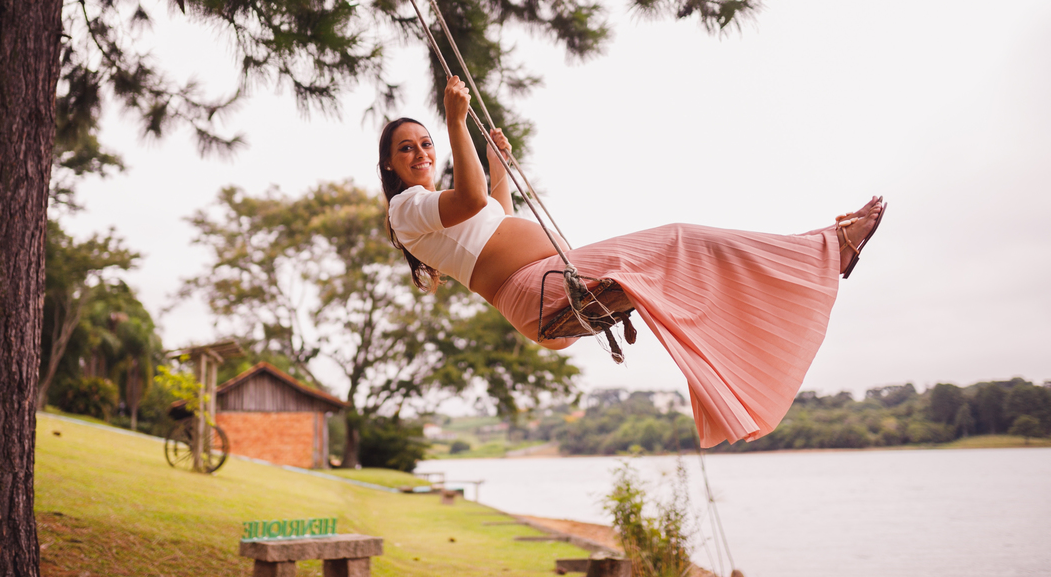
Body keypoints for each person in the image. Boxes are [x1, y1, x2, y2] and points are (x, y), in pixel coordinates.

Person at [379, 76, 886, 447]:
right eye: (408, 148)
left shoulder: (431, 209)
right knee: (681, 240)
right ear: (390, 165)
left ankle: (806, 261)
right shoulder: (406, 208)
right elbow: (471, 202)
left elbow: (493, 217)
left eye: (426, 143)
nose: (421, 152)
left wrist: (495, 164)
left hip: (544, 292)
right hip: (540, 290)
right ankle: (824, 249)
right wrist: (453, 122)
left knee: (685, 270)